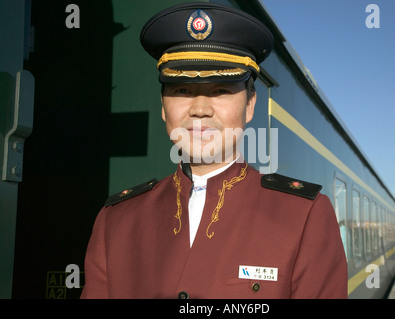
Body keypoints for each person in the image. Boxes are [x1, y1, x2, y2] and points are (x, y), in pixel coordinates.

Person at [80, 2, 347, 299]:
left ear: (250, 105)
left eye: (220, 90)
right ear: (164, 108)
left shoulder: (305, 216)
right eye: (182, 90)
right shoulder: (117, 220)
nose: (200, 109)